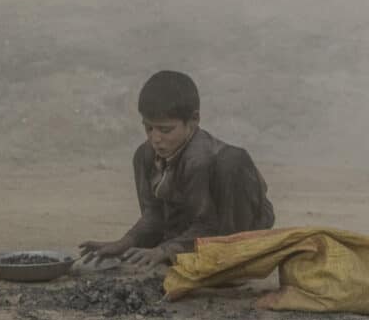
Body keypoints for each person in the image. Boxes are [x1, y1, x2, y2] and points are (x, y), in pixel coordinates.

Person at [81, 70, 274, 267]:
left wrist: (165, 250)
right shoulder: (145, 155)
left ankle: (222, 264)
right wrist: (126, 242)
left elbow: (208, 223)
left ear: (194, 120)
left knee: (232, 161)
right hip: (191, 229)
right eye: (148, 128)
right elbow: (154, 215)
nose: (155, 139)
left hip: (230, 227)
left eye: (166, 130)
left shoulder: (207, 160)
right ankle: (181, 252)